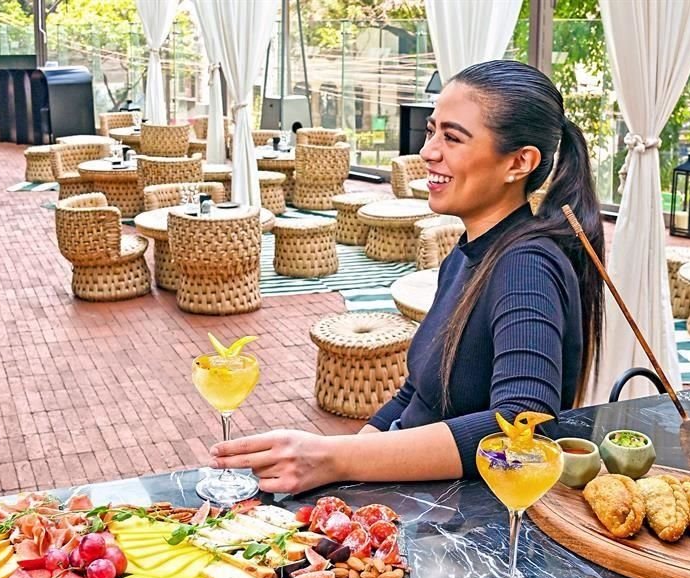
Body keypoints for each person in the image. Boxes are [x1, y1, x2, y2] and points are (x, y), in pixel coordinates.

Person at [210, 60, 605, 495]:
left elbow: (524, 427)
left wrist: (334, 458)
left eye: (452, 138)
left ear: (519, 162)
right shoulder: (468, 254)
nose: (428, 152)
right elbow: (417, 394)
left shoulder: (526, 265)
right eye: (432, 131)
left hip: (453, 520)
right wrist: (341, 467)